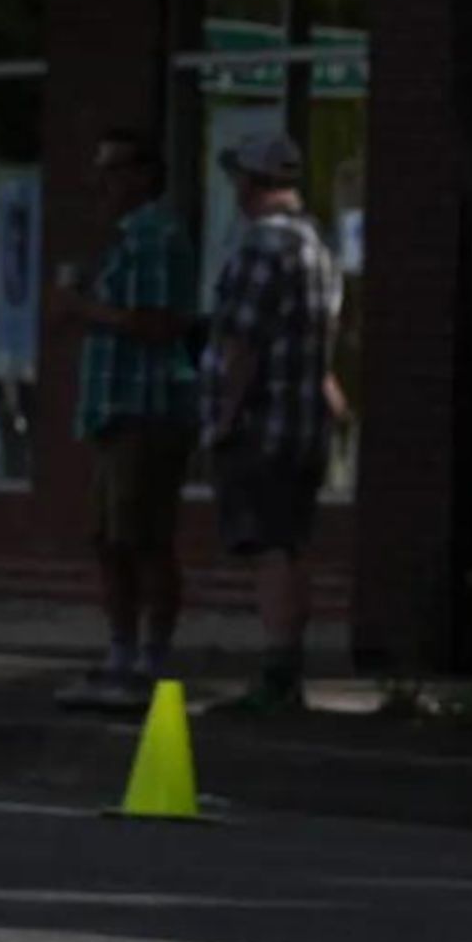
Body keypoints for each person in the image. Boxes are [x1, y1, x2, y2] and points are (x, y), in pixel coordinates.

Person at [50, 129, 199, 711]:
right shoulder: (121, 241)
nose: (102, 182)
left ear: (144, 175)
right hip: (111, 411)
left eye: (112, 169)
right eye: (99, 169)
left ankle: (152, 659)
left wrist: (84, 308)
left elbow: (161, 325)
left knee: (144, 538)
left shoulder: (157, 236)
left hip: (149, 408)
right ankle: (119, 651)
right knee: (108, 538)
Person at [201, 131, 347, 714]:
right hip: (306, 422)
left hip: (266, 424)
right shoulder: (318, 244)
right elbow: (325, 337)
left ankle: (277, 672)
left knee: (269, 548)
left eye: (239, 176)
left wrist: (223, 419)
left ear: (254, 182)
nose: (234, 187)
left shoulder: (264, 247)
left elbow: (243, 345)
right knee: (292, 543)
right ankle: (286, 666)